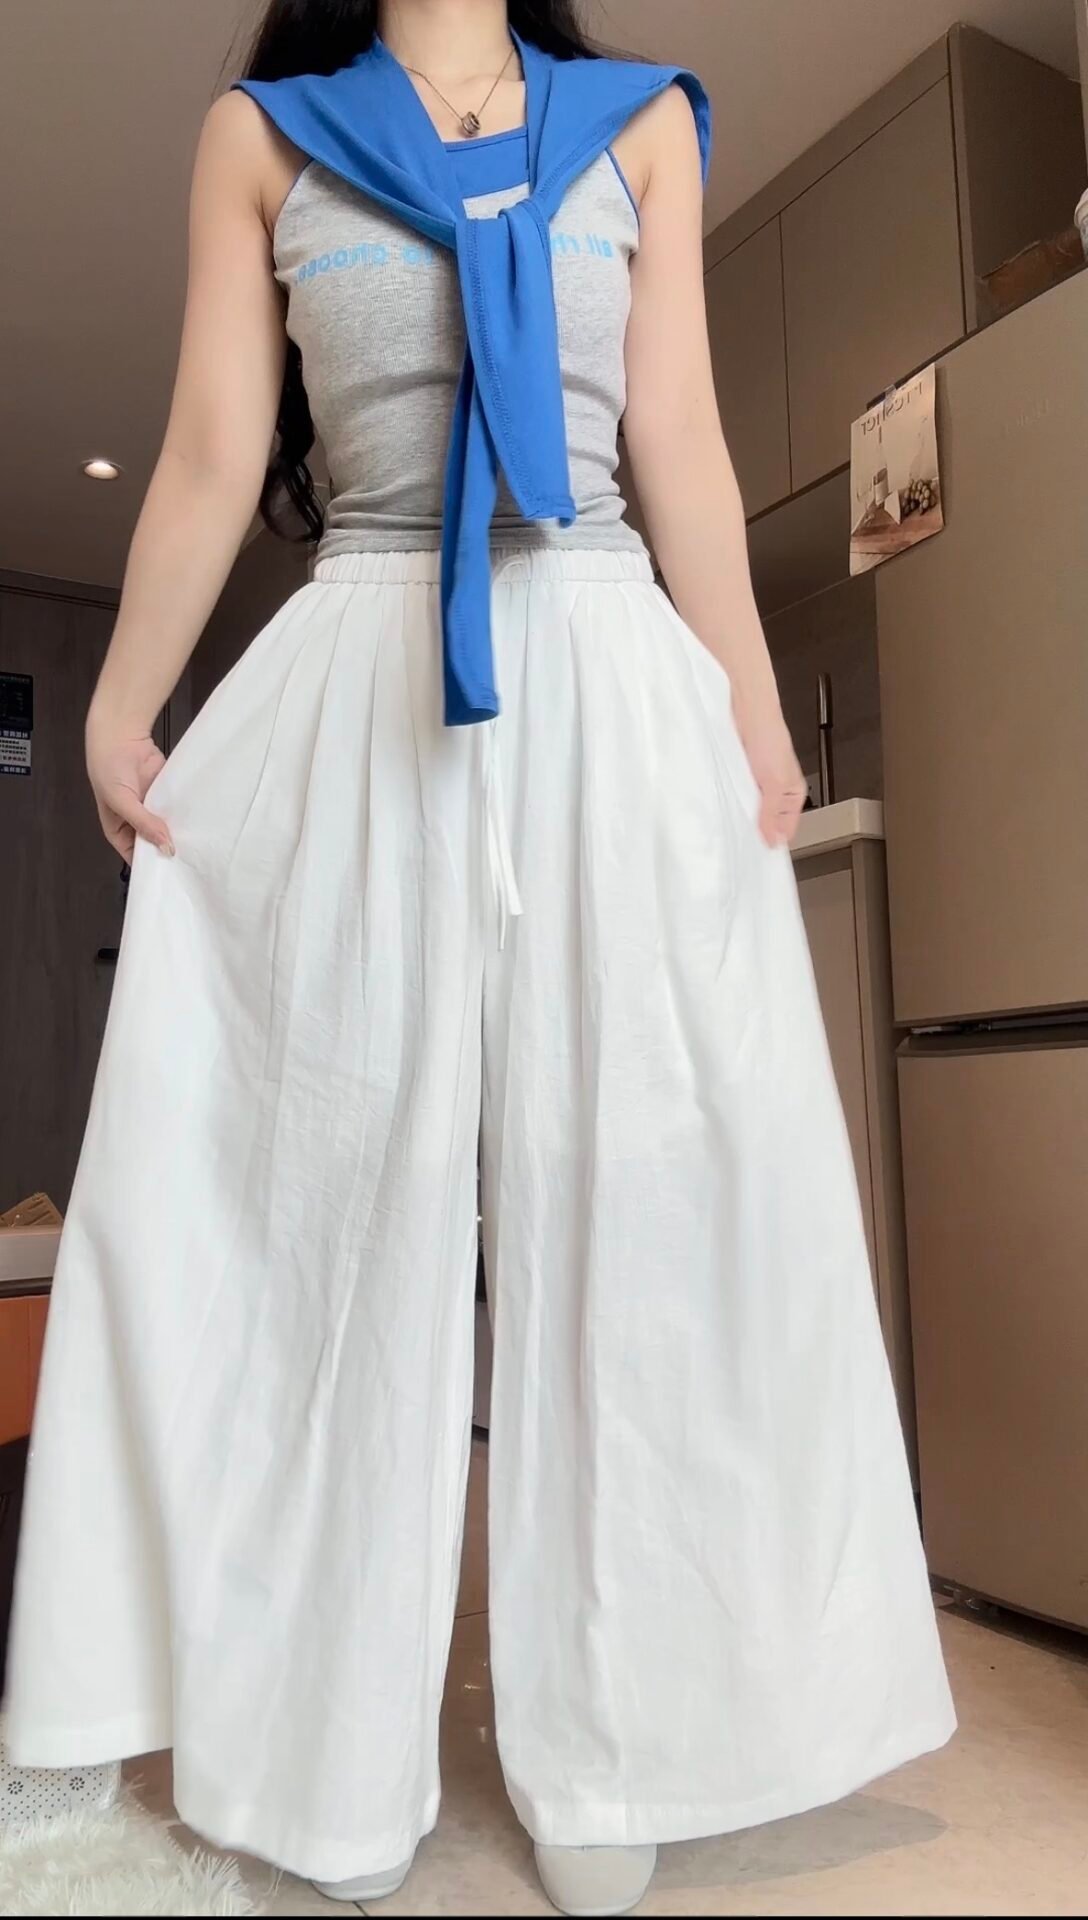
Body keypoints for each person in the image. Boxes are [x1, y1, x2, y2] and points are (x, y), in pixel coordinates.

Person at [6, 2, 955, 1914]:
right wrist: (118, 703)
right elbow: (212, 447)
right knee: (316, 1207)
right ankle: (317, 1740)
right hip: (365, 665)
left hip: (602, 656)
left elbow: (675, 439)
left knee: (643, 1199)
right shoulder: (266, 138)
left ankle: (624, 1734)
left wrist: (751, 704)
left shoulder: (641, 127)